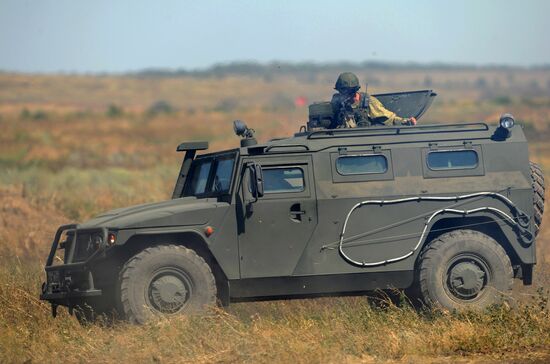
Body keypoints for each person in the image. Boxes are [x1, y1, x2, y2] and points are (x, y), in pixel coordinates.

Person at [330, 72, 417, 128]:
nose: (345, 95)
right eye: (342, 91)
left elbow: (389, 118)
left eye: (349, 92)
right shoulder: (337, 102)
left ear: (355, 90)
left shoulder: (367, 102)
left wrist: (405, 122)